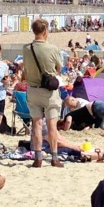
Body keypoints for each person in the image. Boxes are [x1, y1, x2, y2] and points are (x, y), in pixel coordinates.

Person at [22, 18, 64, 168]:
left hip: (33, 89)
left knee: (36, 124)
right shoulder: (52, 48)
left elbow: (25, 69)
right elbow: (59, 69)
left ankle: (38, 157)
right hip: (49, 91)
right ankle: (54, 157)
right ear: (45, 31)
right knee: (52, 125)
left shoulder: (26, 48)